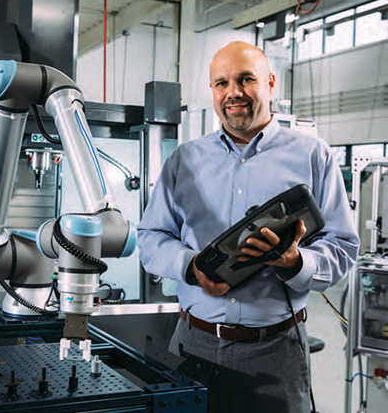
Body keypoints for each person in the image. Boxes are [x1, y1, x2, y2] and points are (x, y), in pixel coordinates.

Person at [137, 41, 359, 413]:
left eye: (246, 79)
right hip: (193, 344)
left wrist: (295, 262)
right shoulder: (184, 160)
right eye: (221, 83)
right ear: (212, 91)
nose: (233, 93)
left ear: (270, 82)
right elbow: (149, 239)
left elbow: (342, 246)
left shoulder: (312, 155)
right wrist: (190, 267)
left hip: (276, 353)